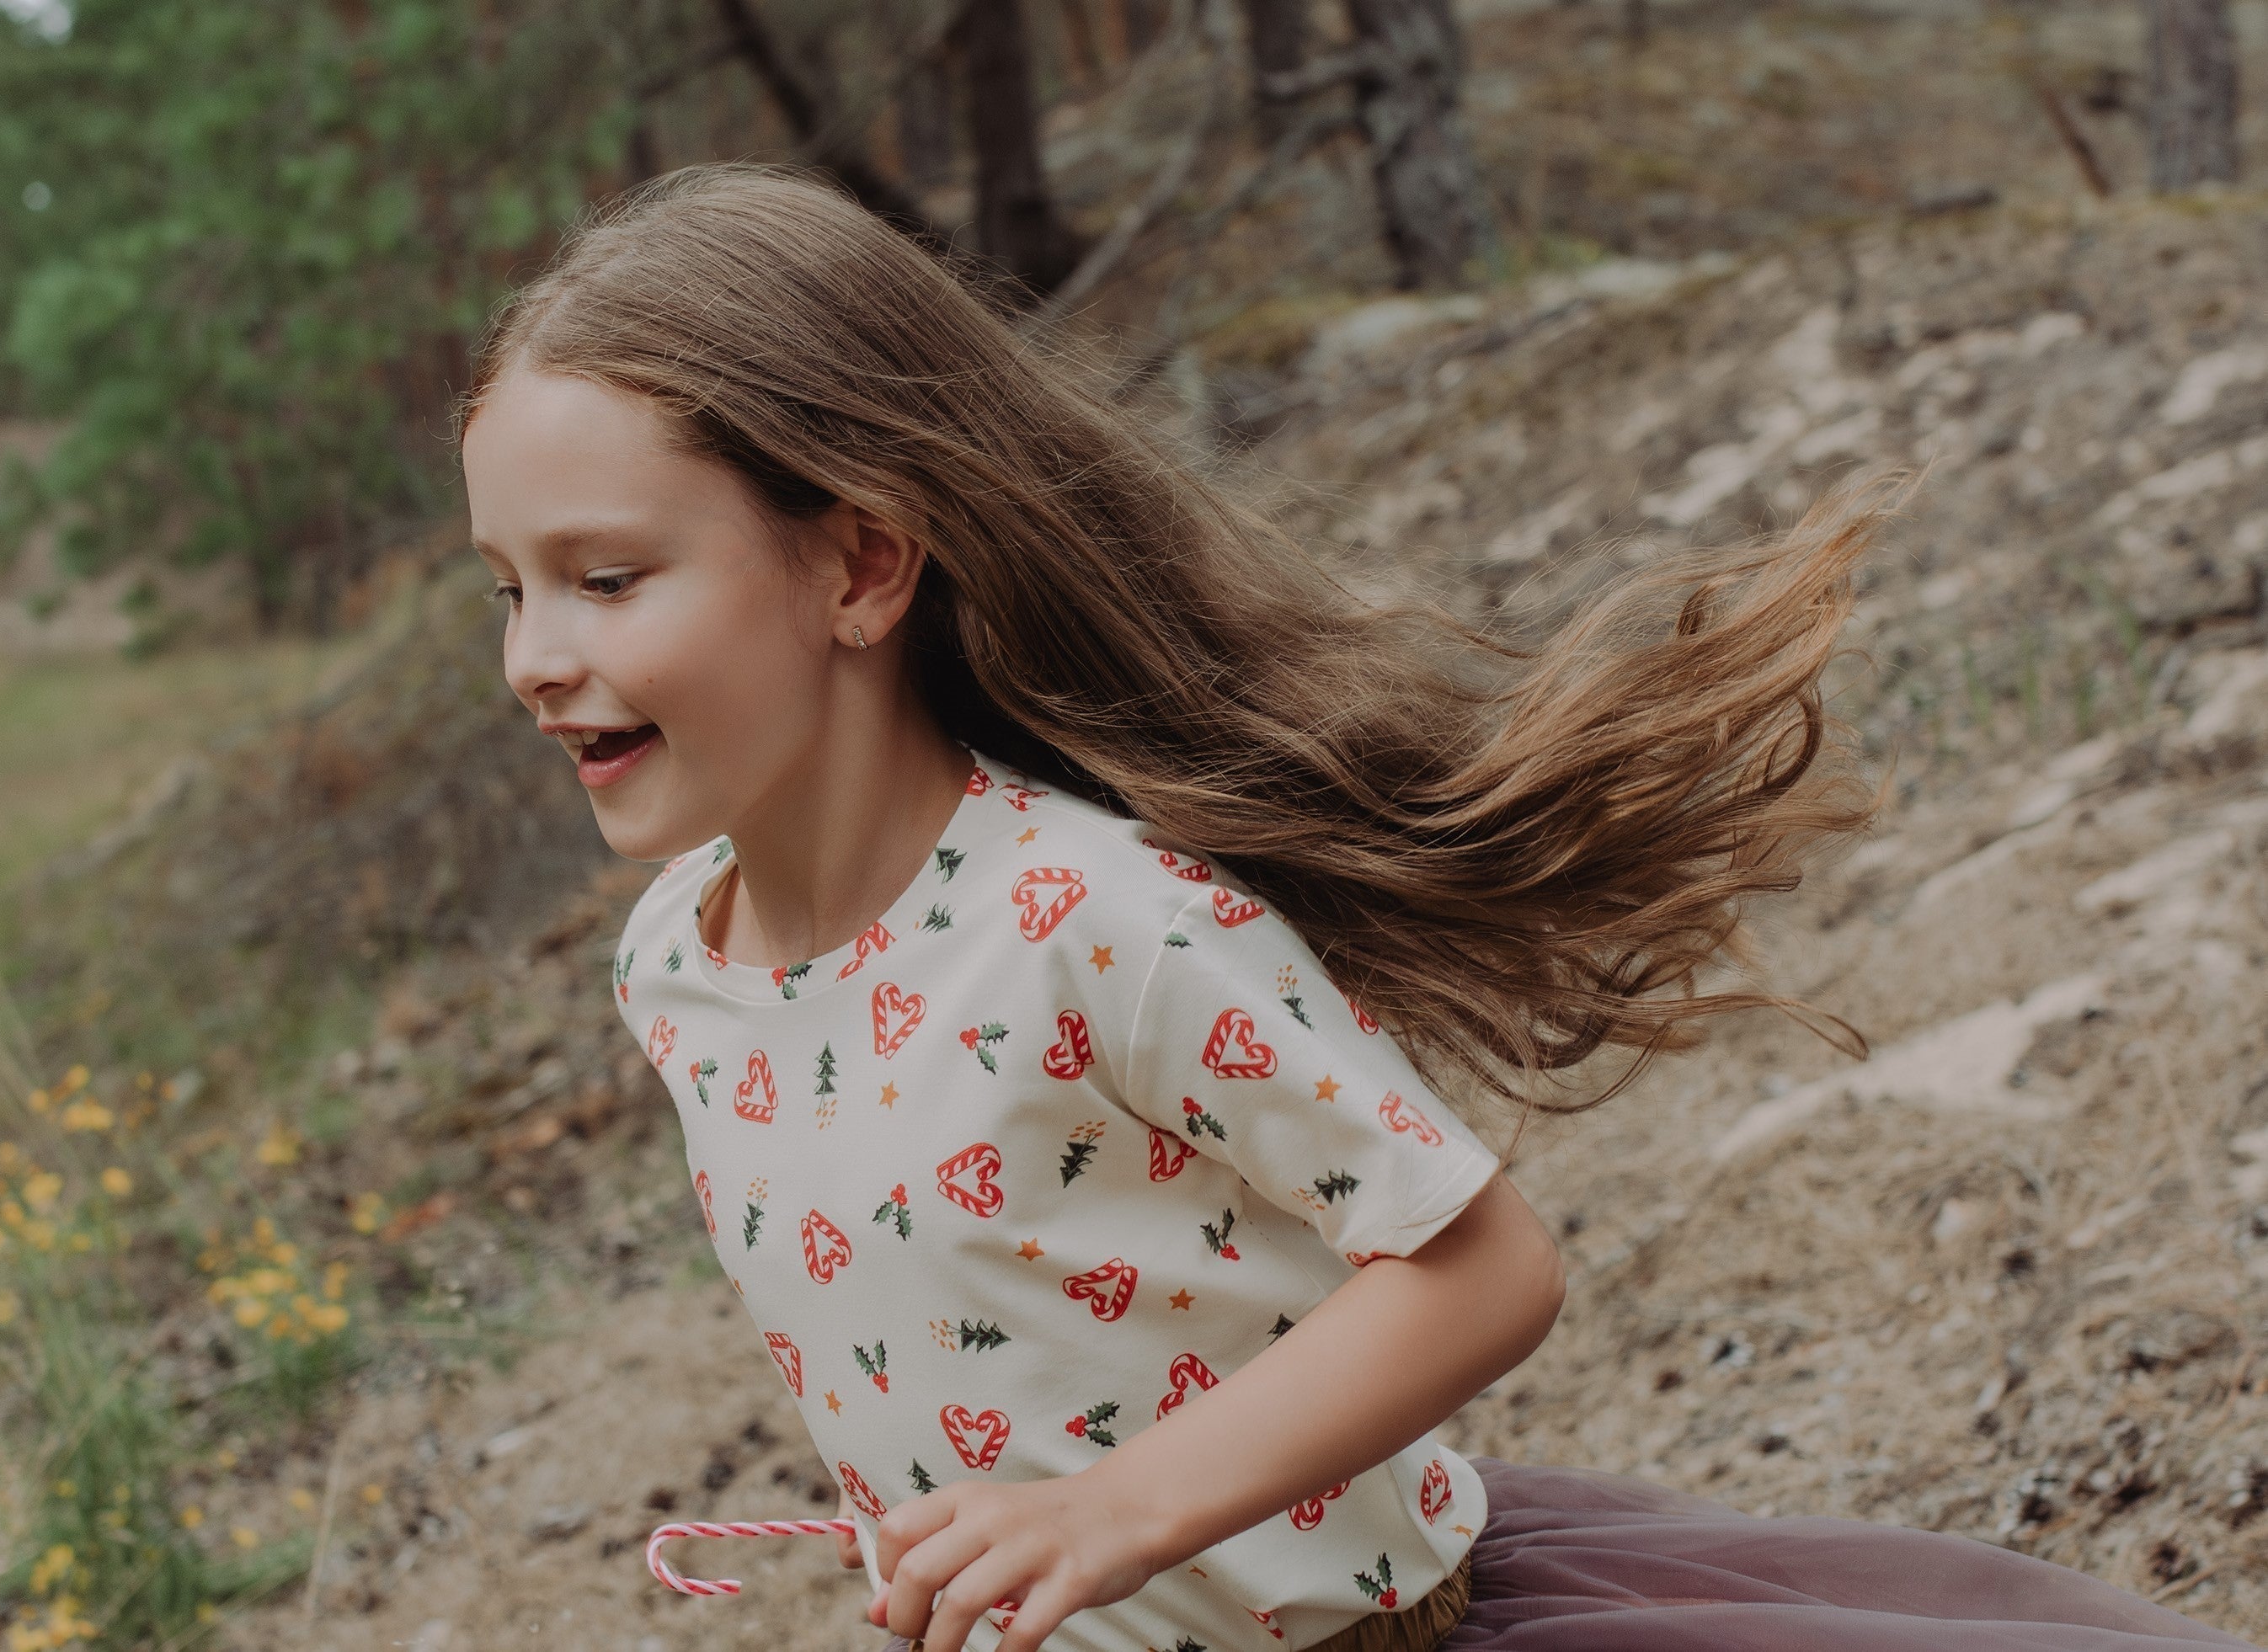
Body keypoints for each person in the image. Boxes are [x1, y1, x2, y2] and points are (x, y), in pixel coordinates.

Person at [456, 163, 2254, 1652]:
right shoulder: (676, 965)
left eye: (605, 579)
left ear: (858, 562)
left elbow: (1475, 1267)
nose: (537, 661)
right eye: (508, 590)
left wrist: (1115, 1511)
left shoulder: (1092, 920)